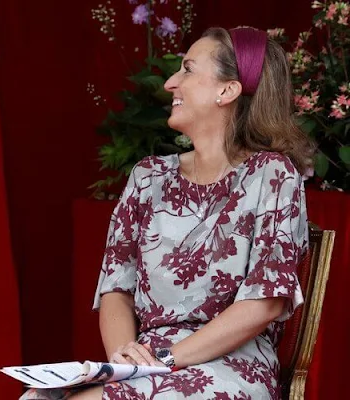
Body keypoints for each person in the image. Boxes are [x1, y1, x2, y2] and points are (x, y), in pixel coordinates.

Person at [23, 26, 313, 400]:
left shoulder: (272, 175)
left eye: (188, 69)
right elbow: (116, 288)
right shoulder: (148, 177)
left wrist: (165, 360)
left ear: (227, 91)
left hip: (231, 367)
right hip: (150, 363)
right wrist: (126, 361)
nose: (172, 83)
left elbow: (266, 302)